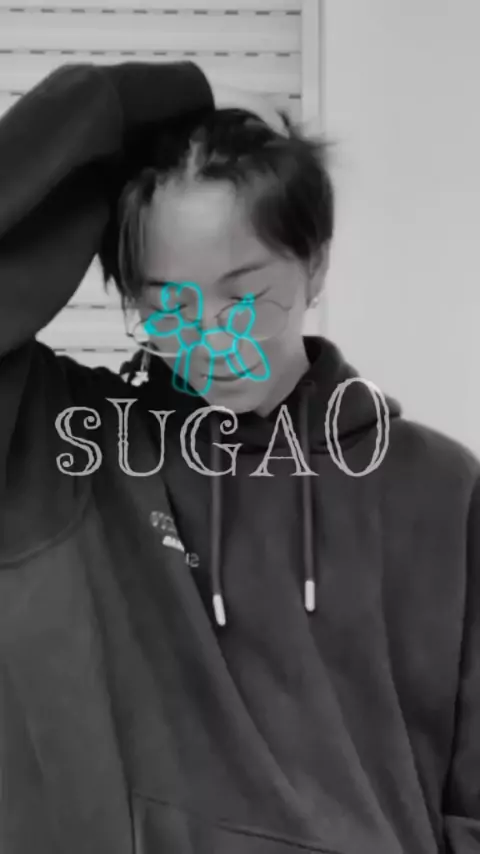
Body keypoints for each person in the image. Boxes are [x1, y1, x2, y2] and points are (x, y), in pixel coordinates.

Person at [0, 59, 479, 854]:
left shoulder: (441, 487)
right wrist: (120, 103)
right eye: (169, 305)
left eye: (245, 295)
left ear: (315, 263)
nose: (214, 337)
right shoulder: (71, 447)